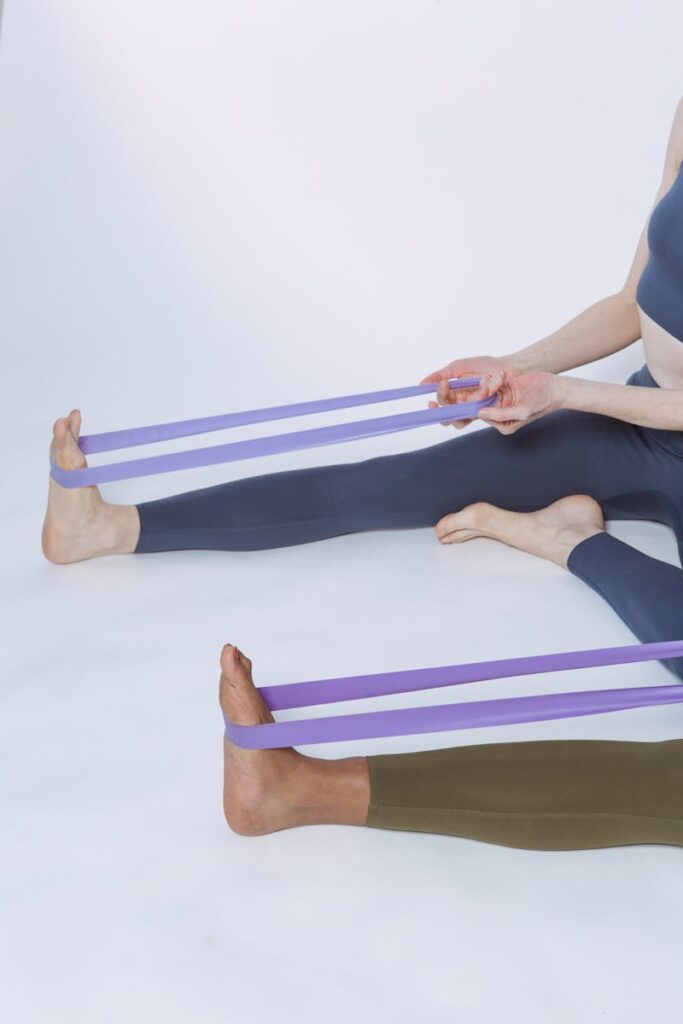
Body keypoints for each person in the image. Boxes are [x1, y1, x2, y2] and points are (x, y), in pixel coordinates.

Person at [43, 98, 683, 849]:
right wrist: (517, 369)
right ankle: (109, 528)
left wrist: (563, 395)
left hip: (630, 413)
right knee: (398, 483)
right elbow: (630, 300)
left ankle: (571, 541)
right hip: (638, 420)